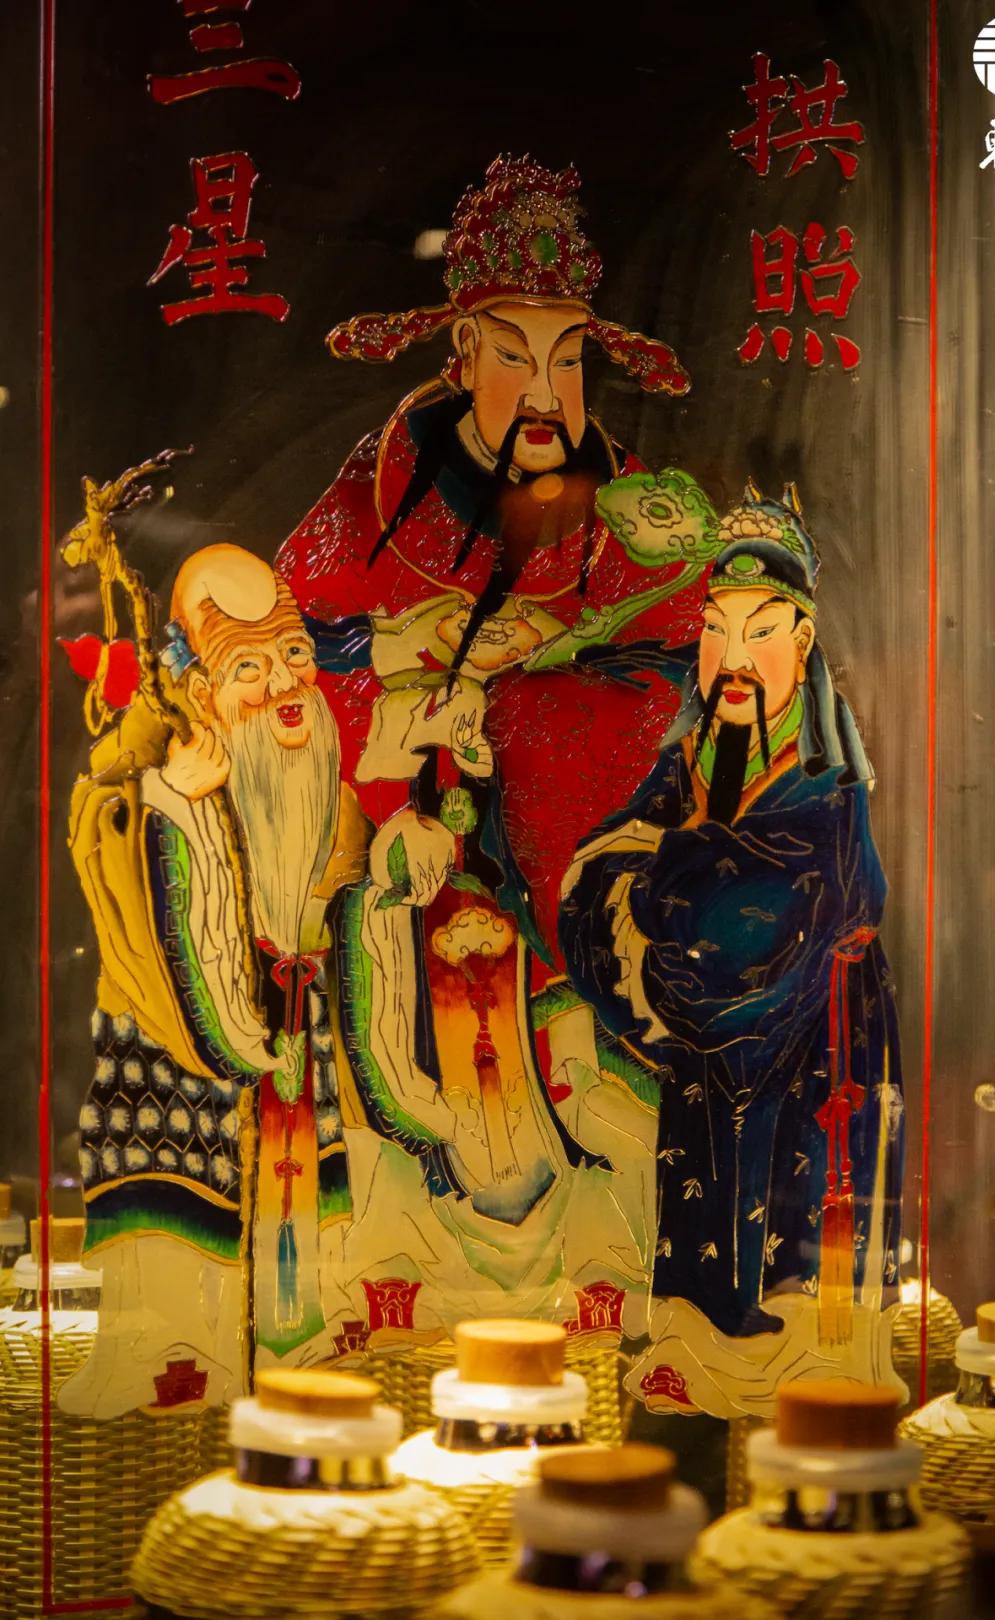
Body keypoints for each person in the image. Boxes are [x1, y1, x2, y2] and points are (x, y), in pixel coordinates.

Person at [275, 156, 708, 1338]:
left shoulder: (621, 501)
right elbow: (293, 633)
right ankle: (397, 1253)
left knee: (592, 1030)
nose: (547, 391)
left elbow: (674, 650)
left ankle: (604, 1250)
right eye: (516, 356)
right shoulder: (381, 490)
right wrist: (398, 671)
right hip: (406, 828)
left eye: (569, 359)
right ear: (462, 354)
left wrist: (536, 685)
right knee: (397, 1020)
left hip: (557, 841)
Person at [559, 477, 905, 1417]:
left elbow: (759, 911)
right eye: (715, 630)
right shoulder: (690, 758)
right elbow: (602, 868)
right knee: (700, 1215)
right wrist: (665, 879)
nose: (734, 658)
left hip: (811, 1040)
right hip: (704, 1057)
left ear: (804, 641)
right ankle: (697, 1356)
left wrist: (664, 881)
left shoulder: (826, 784)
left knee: (797, 1242)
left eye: (761, 630)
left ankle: (797, 1377)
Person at [61, 545, 372, 1418]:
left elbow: (350, 903)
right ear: (201, 690)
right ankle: (175, 1365)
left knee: (300, 1253)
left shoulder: (327, 786)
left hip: (295, 1057)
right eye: (250, 668)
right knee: (176, 1232)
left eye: (294, 656)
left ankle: (291, 1353)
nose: (284, 686)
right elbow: (102, 837)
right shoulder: (149, 762)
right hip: (175, 1060)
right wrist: (172, 801)